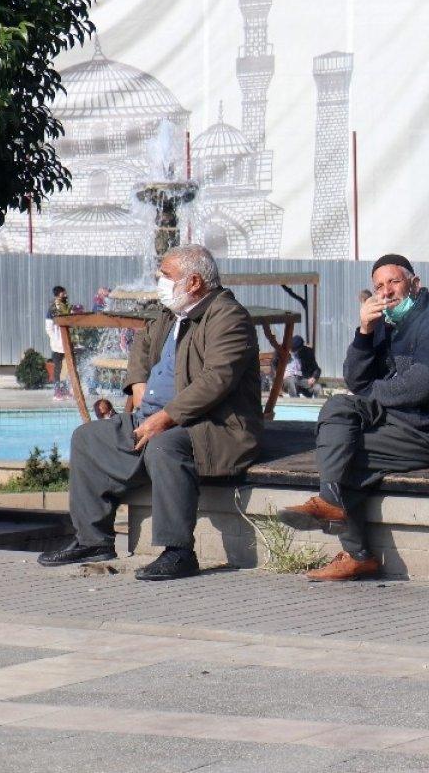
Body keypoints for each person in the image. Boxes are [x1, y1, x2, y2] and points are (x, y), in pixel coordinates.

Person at [37, 246, 262, 581]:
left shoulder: (228, 318)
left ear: (195, 282)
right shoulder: (174, 315)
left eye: (166, 275)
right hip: (159, 420)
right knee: (87, 438)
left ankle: (179, 551)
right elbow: (143, 344)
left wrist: (165, 417)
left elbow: (217, 379)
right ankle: (93, 540)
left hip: (216, 428)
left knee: (165, 445)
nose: (159, 282)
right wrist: (138, 382)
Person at [280, 255, 429, 582]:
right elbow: (355, 381)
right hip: (397, 420)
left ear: (414, 284)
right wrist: (365, 332)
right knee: (337, 408)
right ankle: (334, 507)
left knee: (344, 453)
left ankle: (354, 552)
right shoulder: (385, 321)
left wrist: (369, 392)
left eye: (394, 282)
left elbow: (419, 387)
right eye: (379, 286)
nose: (386, 292)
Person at [46, 285, 70, 401]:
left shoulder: (65, 306)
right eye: (64, 293)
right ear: (59, 294)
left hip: (66, 343)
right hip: (57, 344)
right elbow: (49, 327)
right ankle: (57, 392)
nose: (65, 295)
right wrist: (55, 339)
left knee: (66, 367)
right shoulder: (53, 308)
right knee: (57, 368)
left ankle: (65, 389)